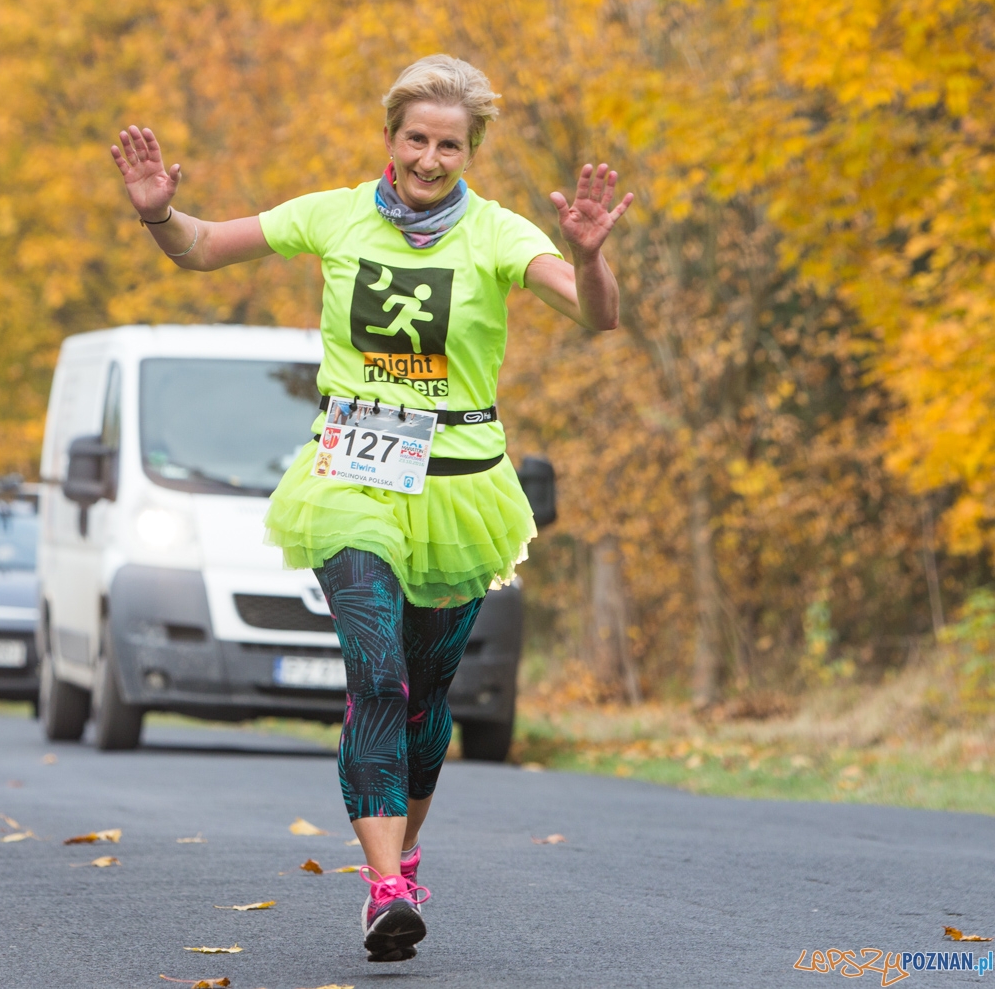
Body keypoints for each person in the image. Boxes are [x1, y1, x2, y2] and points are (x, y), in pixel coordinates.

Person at [110, 55, 630, 961]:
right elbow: (200, 246)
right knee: (377, 673)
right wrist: (158, 209)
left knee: (429, 700)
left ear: (471, 151)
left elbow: (598, 317)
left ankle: (409, 851)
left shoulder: (499, 233)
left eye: (450, 145)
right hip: (353, 475)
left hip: (462, 489)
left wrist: (589, 259)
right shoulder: (336, 213)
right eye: (416, 139)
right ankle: (384, 887)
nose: (430, 158)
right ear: (390, 137)